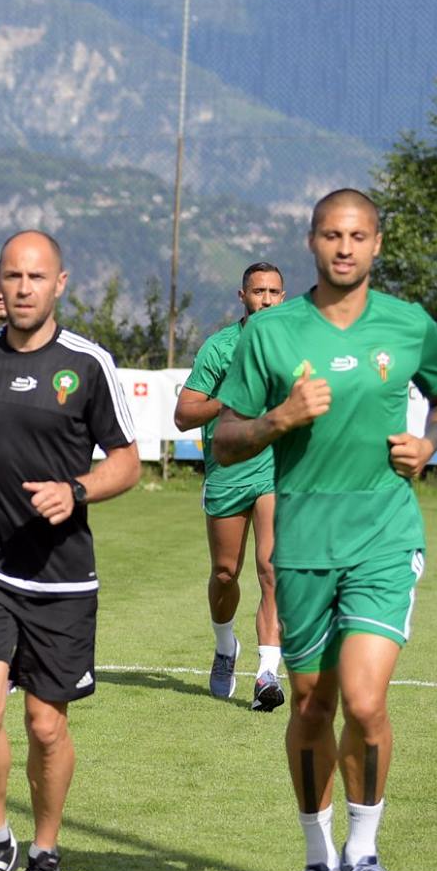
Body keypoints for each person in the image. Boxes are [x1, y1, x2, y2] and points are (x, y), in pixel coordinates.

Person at [213, 189, 437, 871]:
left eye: (357, 235)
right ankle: (318, 862)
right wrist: (277, 419)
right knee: (312, 705)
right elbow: (223, 436)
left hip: (384, 533)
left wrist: (432, 441)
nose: (344, 247)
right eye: (330, 234)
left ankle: (364, 853)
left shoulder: (409, 324)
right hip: (304, 544)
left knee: (364, 699)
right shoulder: (272, 332)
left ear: (377, 243)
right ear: (311, 241)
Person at [0, 231, 140, 871]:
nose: (22, 287)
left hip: (62, 578)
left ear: (60, 283)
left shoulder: (87, 364)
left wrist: (76, 490)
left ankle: (45, 852)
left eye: (36, 276)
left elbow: (127, 461)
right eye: (13, 276)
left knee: (46, 727)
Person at [175, 262, 287, 708]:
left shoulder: (294, 346)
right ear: (242, 297)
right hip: (226, 471)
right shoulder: (220, 348)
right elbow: (184, 415)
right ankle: (225, 647)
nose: (265, 298)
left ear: (283, 297)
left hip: (276, 470)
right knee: (225, 574)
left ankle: (266, 674)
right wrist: (230, 398)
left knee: (272, 567)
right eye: (257, 291)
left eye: (273, 291)